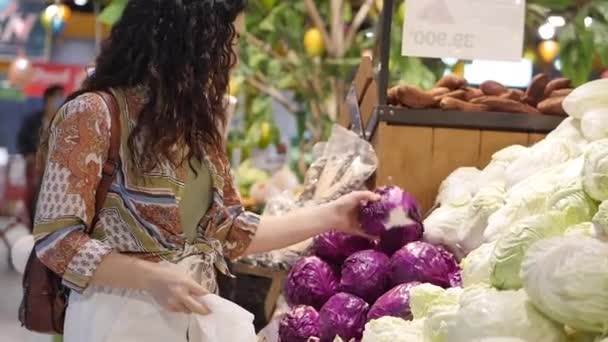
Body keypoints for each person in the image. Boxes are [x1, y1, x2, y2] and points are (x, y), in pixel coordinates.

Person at [32, 1, 378, 341]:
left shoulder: (196, 128)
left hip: (192, 320)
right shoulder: (93, 114)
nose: (235, 59)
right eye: (229, 43)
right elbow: (57, 240)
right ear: (187, 42)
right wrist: (147, 276)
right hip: (114, 321)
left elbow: (231, 232)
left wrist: (333, 215)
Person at [16, 85, 64, 227]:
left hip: (56, 169)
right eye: (57, 97)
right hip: (36, 168)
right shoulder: (32, 120)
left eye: (62, 97)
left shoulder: (65, 120)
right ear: (48, 99)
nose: (59, 101)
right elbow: (22, 140)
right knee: (33, 197)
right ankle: (32, 226)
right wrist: (28, 154)